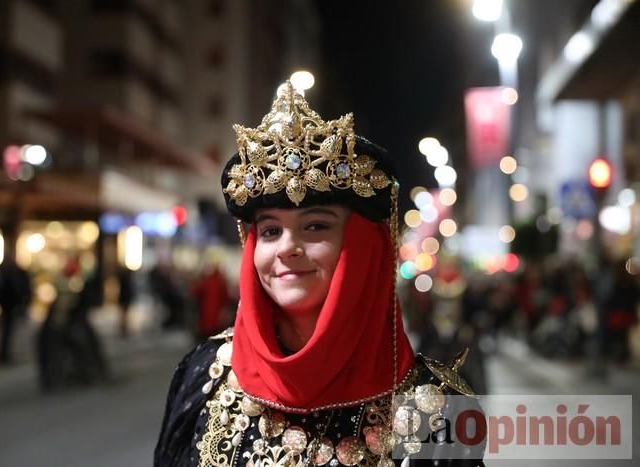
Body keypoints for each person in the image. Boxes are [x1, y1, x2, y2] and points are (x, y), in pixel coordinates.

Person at [155, 83, 485, 466]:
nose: (286, 248)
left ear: (363, 248)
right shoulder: (202, 378)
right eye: (270, 231)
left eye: (315, 227)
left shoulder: (437, 408)